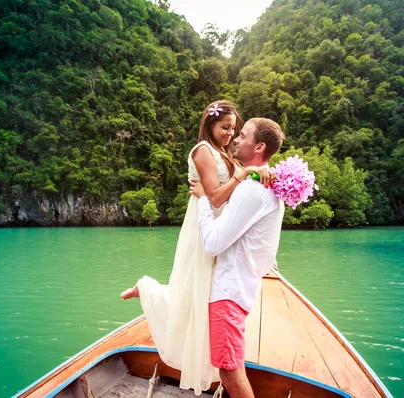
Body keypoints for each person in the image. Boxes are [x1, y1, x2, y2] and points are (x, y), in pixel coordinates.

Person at [120, 101, 271, 395]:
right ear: (210, 125)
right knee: (193, 292)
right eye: (225, 127)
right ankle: (146, 288)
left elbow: (239, 193)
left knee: (206, 297)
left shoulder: (225, 154)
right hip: (204, 227)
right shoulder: (202, 151)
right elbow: (214, 197)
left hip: (221, 227)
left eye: (234, 129)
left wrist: (260, 172)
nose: (230, 133)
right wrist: (244, 173)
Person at [190, 118, 286, 398]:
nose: (235, 139)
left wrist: (204, 199)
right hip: (239, 286)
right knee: (227, 369)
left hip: (228, 291)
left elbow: (212, 243)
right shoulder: (263, 184)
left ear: (259, 146)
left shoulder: (253, 189)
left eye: (242, 135)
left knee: (231, 373)